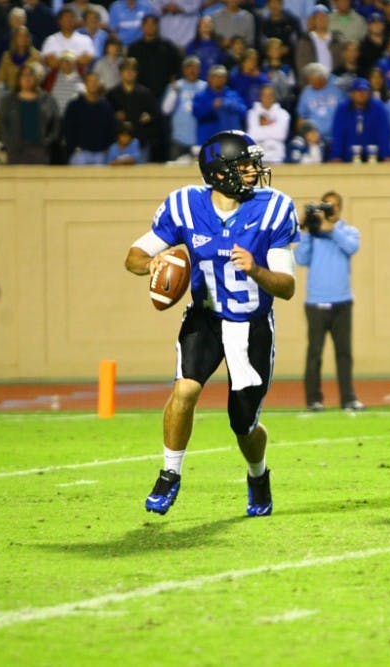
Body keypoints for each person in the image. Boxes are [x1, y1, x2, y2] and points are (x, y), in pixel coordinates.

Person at [125, 130, 299, 517]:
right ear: (220, 174)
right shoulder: (185, 205)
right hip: (205, 317)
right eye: (246, 165)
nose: (255, 171)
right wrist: (152, 264)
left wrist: (256, 270)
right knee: (185, 391)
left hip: (251, 324)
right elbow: (134, 256)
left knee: (244, 425)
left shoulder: (274, 208)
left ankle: (258, 475)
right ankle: (170, 474)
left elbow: (286, 287)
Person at [293, 190, 364, 412]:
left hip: (342, 302)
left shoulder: (348, 231)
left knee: (344, 353)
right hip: (316, 303)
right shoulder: (313, 235)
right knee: (314, 353)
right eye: (325, 206)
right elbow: (300, 259)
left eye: (332, 207)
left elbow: (351, 248)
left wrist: (330, 228)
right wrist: (305, 231)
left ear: (339, 209)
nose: (327, 211)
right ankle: (313, 400)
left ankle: (348, 398)